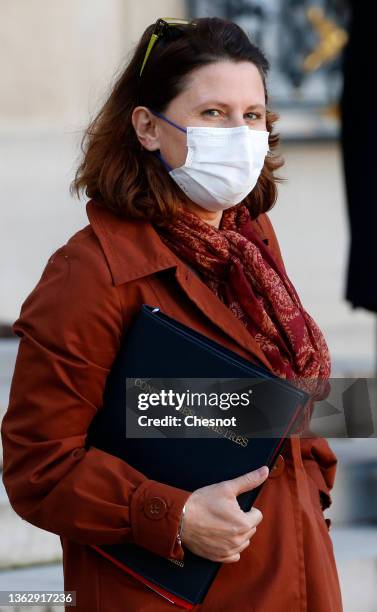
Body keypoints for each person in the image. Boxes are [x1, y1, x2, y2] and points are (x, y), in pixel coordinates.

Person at [1, 17, 343, 612]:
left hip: (293, 572)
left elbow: (262, 403)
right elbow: (39, 468)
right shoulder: (90, 273)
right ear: (147, 127)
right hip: (165, 593)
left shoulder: (248, 242)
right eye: (213, 114)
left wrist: (315, 479)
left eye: (253, 116)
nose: (239, 134)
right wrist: (173, 516)